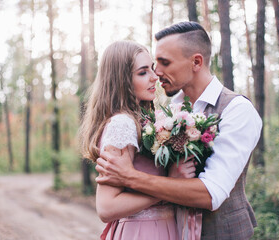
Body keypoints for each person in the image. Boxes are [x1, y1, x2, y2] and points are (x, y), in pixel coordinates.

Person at [95, 22, 263, 239]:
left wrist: (130, 177)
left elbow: (211, 193)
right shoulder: (166, 110)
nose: (157, 73)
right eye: (152, 65)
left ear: (196, 62)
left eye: (164, 63)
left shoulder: (237, 110)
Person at [79, 41, 180, 239]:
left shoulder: (142, 119)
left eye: (152, 68)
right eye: (142, 72)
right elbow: (107, 207)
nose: (154, 77)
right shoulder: (122, 124)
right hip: (143, 231)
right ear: (122, 80)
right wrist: (171, 188)